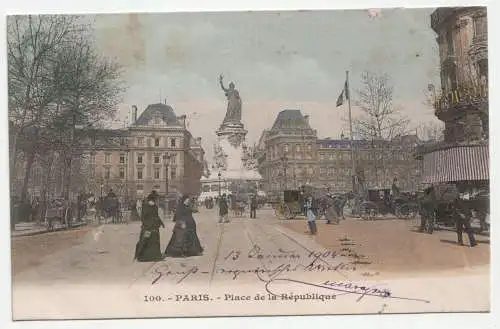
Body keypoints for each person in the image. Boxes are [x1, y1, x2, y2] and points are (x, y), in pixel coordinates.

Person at [134, 192, 165, 262]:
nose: (153, 202)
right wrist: (149, 225)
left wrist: (159, 223)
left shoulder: (154, 207)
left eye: (153, 201)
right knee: (146, 241)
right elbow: (143, 218)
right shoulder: (146, 207)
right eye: (152, 201)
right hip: (148, 228)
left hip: (152, 228)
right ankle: (143, 256)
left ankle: (153, 255)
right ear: (150, 200)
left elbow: (156, 216)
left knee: (152, 241)